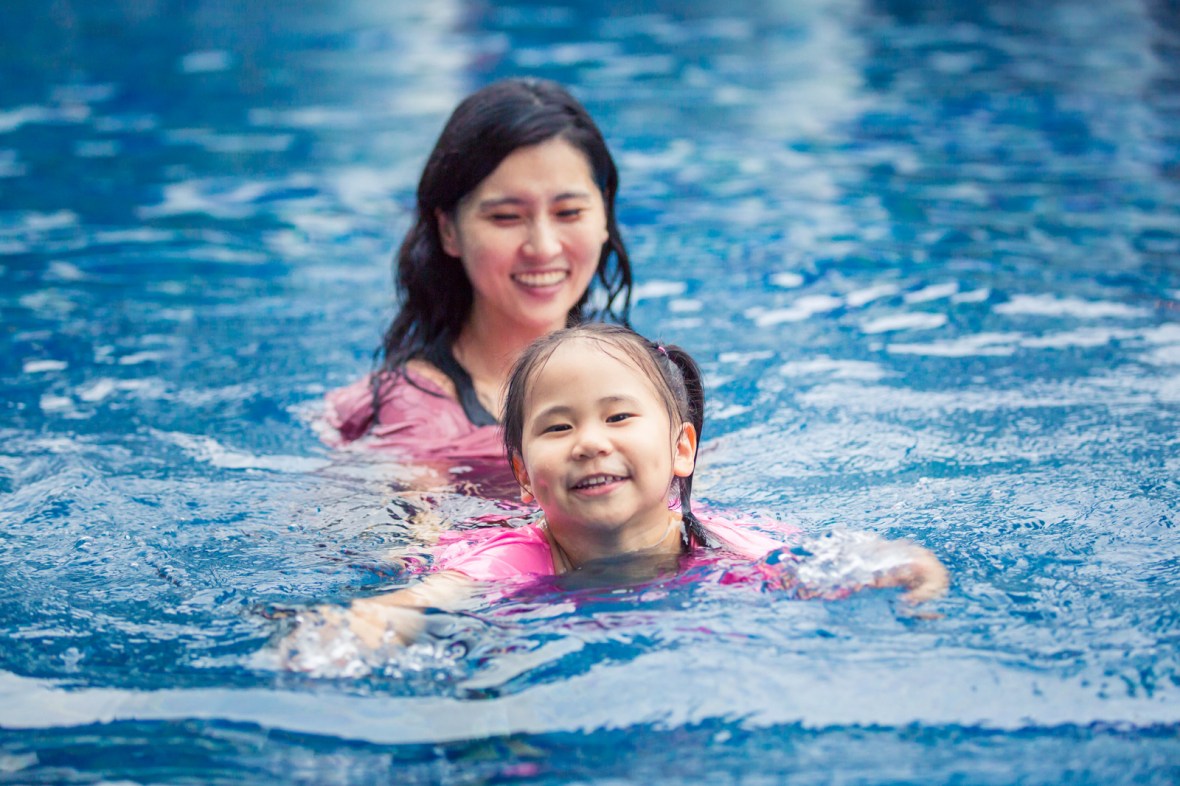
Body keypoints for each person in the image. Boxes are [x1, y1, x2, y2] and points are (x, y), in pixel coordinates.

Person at [281, 325, 948, 669]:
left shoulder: (728, 541)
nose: (590, 443)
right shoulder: (505, 565)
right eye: (558, 427)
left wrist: (913, 568)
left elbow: (851, 559)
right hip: (463, 539)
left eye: (620, 417)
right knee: (417, 539)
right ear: (523, 474)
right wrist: (346, 632)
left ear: (683, 449)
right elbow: (417, 604)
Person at [320, 78, 633, 462]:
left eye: (568, 212)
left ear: (604, 214)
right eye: (506, 217)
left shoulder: (641, 379)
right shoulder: (418, 418)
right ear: (448, 230)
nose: (543, 248)